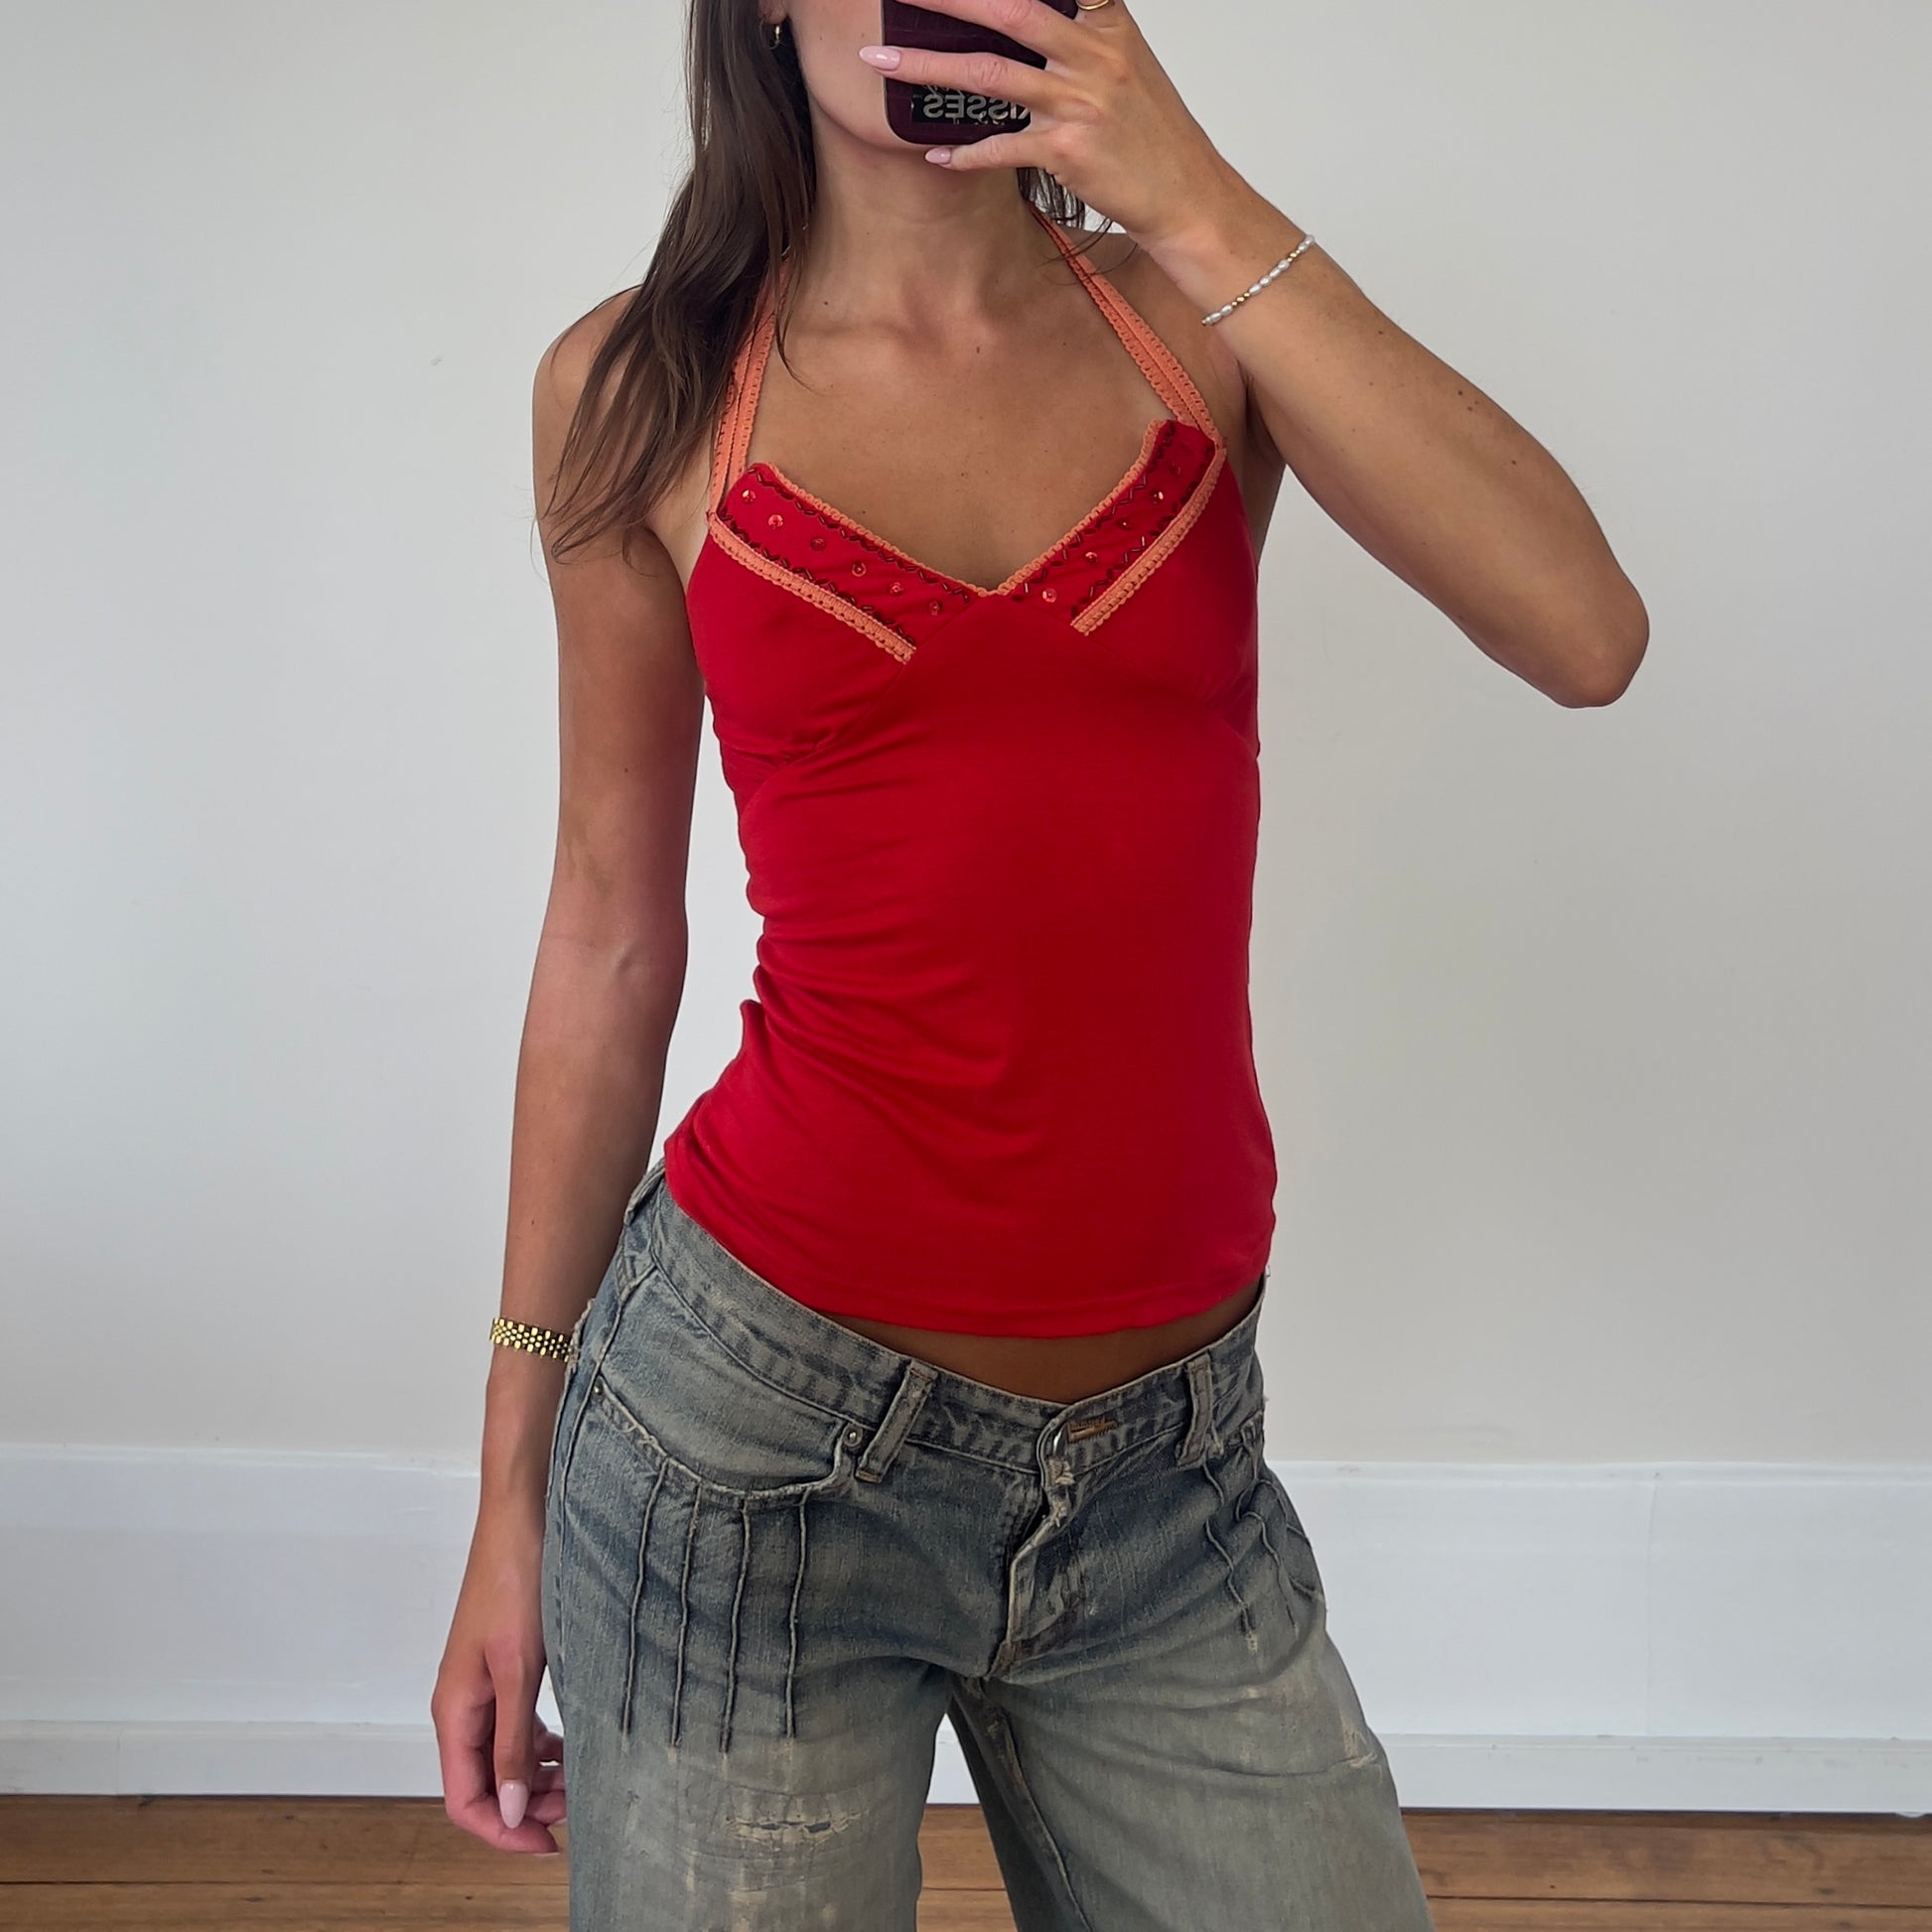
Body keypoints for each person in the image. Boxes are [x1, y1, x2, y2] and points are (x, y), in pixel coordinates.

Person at [431, 0, 1646, 1923]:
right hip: (752, 1447)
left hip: (1170, 1479)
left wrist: (1189, 193)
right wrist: (504, 1489)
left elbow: (1582, 629)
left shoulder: (1194, 328)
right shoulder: (641, 387)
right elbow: (607, 927)